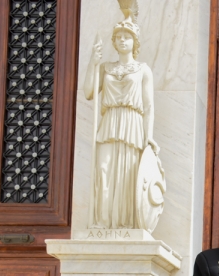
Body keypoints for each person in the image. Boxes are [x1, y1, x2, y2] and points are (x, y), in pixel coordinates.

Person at [83, 6, 160, 229]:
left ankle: (126, 223)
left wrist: (149, 137)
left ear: (135, 42)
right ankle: (103, 223)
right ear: (114, 43)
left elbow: (148, 107)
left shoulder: (143, 70)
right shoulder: (105, 68)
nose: (123, 40)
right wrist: (92, 62)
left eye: (127, 37)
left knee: (128, 177)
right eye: (118, 37)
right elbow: (89, 92)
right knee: (104, 172)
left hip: (132, 124)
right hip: (109, 123)